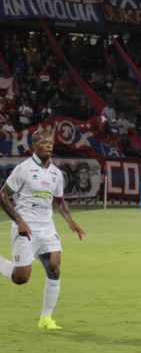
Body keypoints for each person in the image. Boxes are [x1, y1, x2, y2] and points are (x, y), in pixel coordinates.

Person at [0, 129, 86, 330]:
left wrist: (70, 220)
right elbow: (3, 195)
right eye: (44, 142)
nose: (49, 146)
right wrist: (19, 221)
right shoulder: (23, 169)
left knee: (54, 267)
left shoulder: (56, 173)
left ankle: (46, 318)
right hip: (26, 228)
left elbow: (59, 201)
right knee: (21, 278)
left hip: (47, 227)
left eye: (51, 142)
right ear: (34, 145)